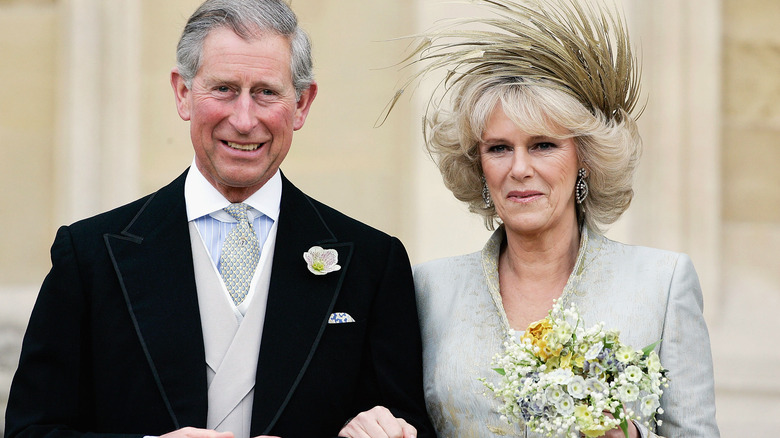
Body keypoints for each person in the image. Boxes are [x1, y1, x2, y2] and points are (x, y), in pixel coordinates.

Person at [4, 1, 433, 438]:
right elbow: (30, 431)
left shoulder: (373, 264)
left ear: (302, 103)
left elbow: (408, 426)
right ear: (182, 93)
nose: (244, 119)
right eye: (224, 89)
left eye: (267, 91)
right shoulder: (90, 255)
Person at [396, 0, 720, 437]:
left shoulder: (661, 282)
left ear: (584, 158)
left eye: (544, 145)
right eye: (498, 148)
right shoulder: (429, 290)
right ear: (478, 165)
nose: (519, 168)